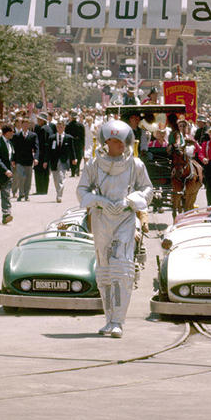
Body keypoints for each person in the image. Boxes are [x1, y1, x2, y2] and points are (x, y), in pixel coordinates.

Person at [76, 119, 153, 338]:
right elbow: (82, 190)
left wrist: (129, 200)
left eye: (122, 141)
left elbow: (147, 189)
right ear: (107, 141)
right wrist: (99, 200)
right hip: (101, 220)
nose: (120, 145)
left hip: (124, 220)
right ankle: (109, 319)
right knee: (105, 271)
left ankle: (119, 320)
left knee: (122, 269)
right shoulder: (93, 164)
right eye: (115, 141)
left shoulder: (135, 164)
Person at [0, 124, 15, 224]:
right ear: (7, 132)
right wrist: (5, 170)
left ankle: (6, 215)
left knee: (6, 195)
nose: (13, 133)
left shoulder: (10, 143)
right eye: (12, 132)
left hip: (7, 176)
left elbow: (10, 156)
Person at [48, 120, 78, 203]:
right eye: (58, 127)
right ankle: (58, 191)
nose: (60, 128)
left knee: (61, 177)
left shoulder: (69, 138)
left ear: (64, 127)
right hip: (54, 161)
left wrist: (74, 158)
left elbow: (72, 150)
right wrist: (46, 161)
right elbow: (48, 151)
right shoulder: (52, 138)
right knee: (55, 179)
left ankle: (59, 196)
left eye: (61, 127)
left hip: (63, 161)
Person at [11, 118, 38, 201]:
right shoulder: (16, 136)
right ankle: (20, 194)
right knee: (21, 177)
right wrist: (13, 159)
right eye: (24, 124)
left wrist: (36, 158)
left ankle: (26, 195)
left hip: (29, 160)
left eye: (27, 124)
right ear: (21, 125)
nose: (25, 126)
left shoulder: (33, 135)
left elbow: (36, 148)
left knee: (28, 178)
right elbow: (13, 149)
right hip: (19, 160)